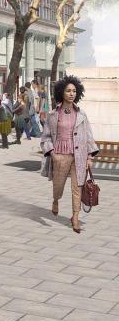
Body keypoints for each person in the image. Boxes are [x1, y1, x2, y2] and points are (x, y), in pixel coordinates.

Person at [40, 76, 100, 234]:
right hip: (60, 155)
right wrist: (52, 154)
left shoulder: (81, 114)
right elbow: (45, 137)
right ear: (62, 93)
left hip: (79, 156)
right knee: (58, 186)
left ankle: (75, 218)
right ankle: (55, 200)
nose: (72, 93)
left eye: (74, 91)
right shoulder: (53, 115)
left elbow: (88, 136)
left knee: (77, 187)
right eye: (68, 91)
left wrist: (89, 157)